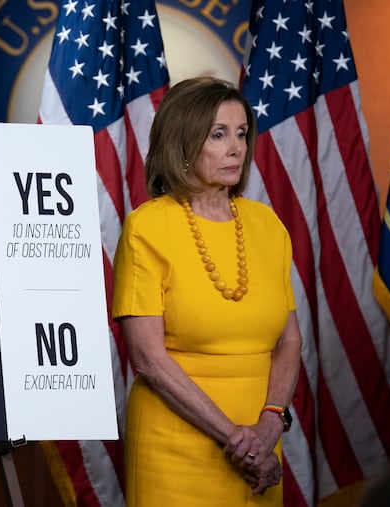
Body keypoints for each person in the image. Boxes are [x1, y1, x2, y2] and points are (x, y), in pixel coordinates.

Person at [111, 76, 303, 506]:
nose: (237, 147)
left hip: (262, 442)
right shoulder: (148, 227)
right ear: (183, 142)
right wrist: (240, 440)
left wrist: (270, 424)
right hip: (176, 445)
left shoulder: (267, 226)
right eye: (219, 135)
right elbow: (148, 360)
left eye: (241, 133)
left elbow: (289, 341)